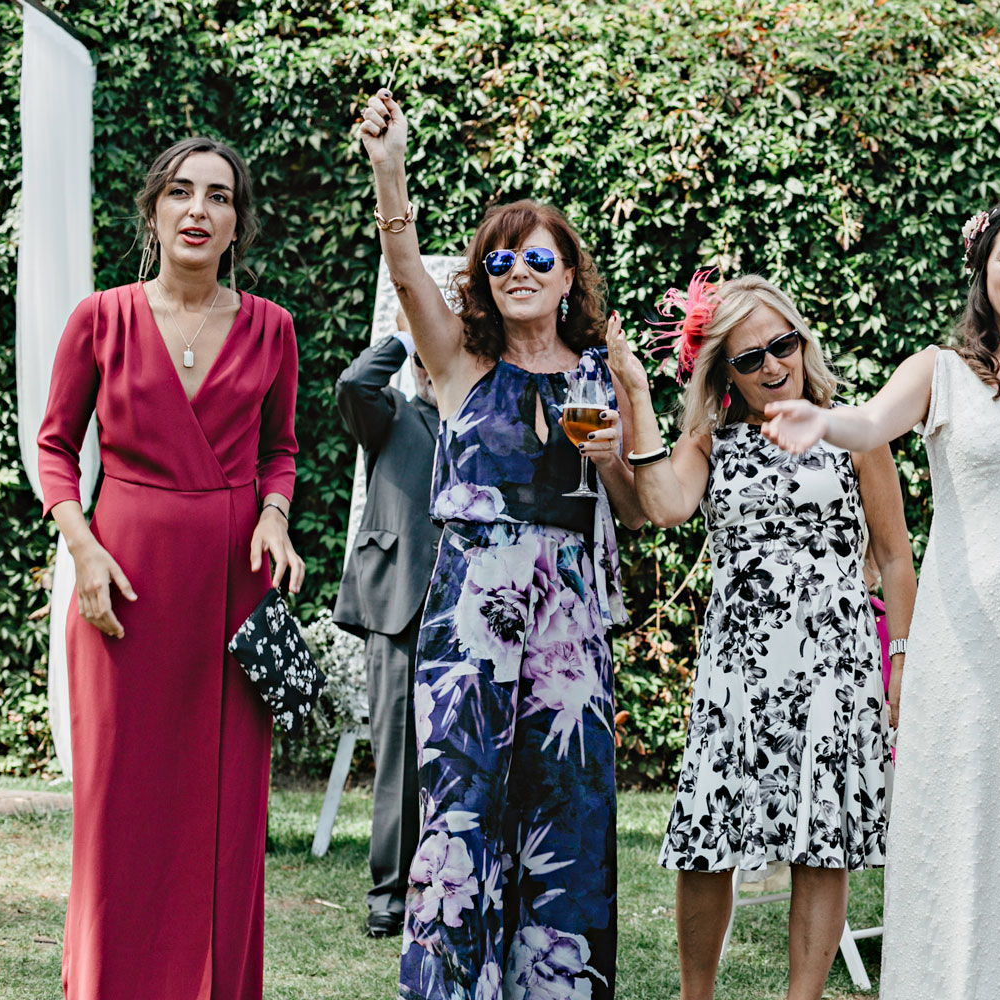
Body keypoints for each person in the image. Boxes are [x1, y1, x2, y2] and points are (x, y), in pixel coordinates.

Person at [763, 198, 1000, 998]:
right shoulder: (941, 372)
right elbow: (868, 425)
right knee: (966, 833)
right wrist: (817, 420)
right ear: (982, 269)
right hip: (964, 646)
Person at [357, 89, 645, 1000]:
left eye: (539, 257)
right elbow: (405, 269)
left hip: (570, 614)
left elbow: (633, 511)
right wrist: (389, 167)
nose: (519, 269)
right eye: (501, 258)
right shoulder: (460, 364)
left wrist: (615, 459)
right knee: (462, 808)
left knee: (566, 809)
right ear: (485, 276)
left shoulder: (605, 373)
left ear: (567, 277)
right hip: (472, 614)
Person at [37, 136, 302, 999]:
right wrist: (83, 550)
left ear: (238, 224)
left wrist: (274, 516)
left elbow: (282, 452)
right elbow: (53, 449)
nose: (199, 209)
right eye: (182, 193)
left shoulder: (273, 329)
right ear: (154, 210)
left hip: (231, 592)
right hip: (121, 589)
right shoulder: (99, 318)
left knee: (219, 819)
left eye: (219, 197)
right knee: (120, 811)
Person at [604, 273, 916, 1000]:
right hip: (737, 668)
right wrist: (638, 397)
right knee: (707, 836)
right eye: (750, 358)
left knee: (823, 842)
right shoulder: (710, 442)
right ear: (725, 374)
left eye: (784, 345)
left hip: (836, 666)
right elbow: (666, 504)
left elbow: (896, 555)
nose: (774, 366)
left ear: (804, 343)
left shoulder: (854, 432)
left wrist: (901, 658)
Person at [333, 310, 442, 939]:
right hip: (398, 603)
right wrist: (405, 336)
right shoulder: (391, 415)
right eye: (422, 357)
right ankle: (389, 893)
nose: (431, 367)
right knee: (398, 756)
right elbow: (353, 385)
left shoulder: (480, 420)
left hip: (471, 607)